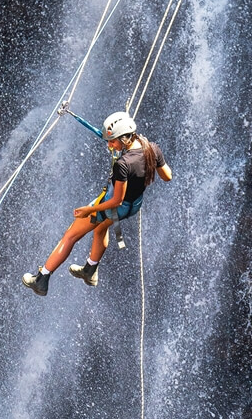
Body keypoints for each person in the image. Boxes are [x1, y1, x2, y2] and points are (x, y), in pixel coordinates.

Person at [22, 111, 172, 295]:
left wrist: (88, 209)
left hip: (114, 207)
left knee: (70, 235)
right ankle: (90, 270)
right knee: (101, 229)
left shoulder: (123, 164)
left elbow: (116, 200)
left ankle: (41, 279)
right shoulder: (152, 149)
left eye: (113, 141)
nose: (109, 145)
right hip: (132, 206)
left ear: (126, 139)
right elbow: (167, 176)